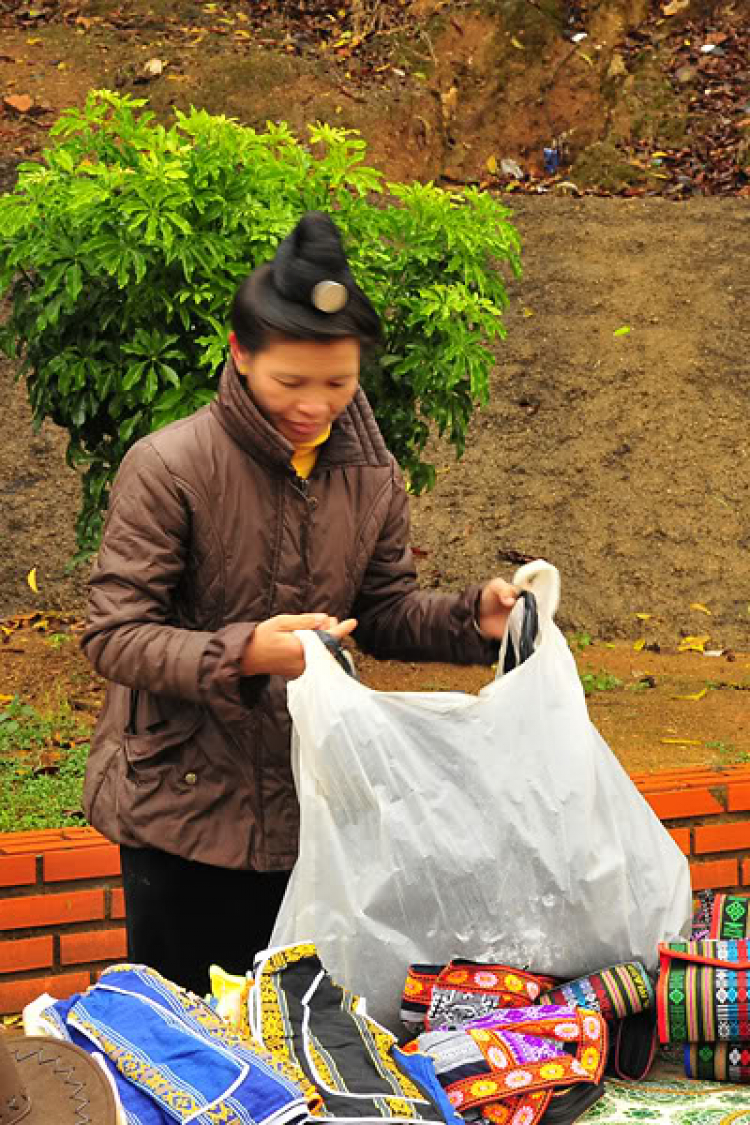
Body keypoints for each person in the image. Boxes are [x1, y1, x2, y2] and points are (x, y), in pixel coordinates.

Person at [82, 211, 518, 997]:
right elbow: (116, 635)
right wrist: (244, 652)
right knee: (192, 1041)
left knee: (306, 1040)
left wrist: (472, 619)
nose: (315, 404)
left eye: (338, 381)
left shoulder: (369, 474)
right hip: (183, 812)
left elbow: (383, 610)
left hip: (315, 811)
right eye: (290, 381)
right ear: (241, 354)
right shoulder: (170, 466)